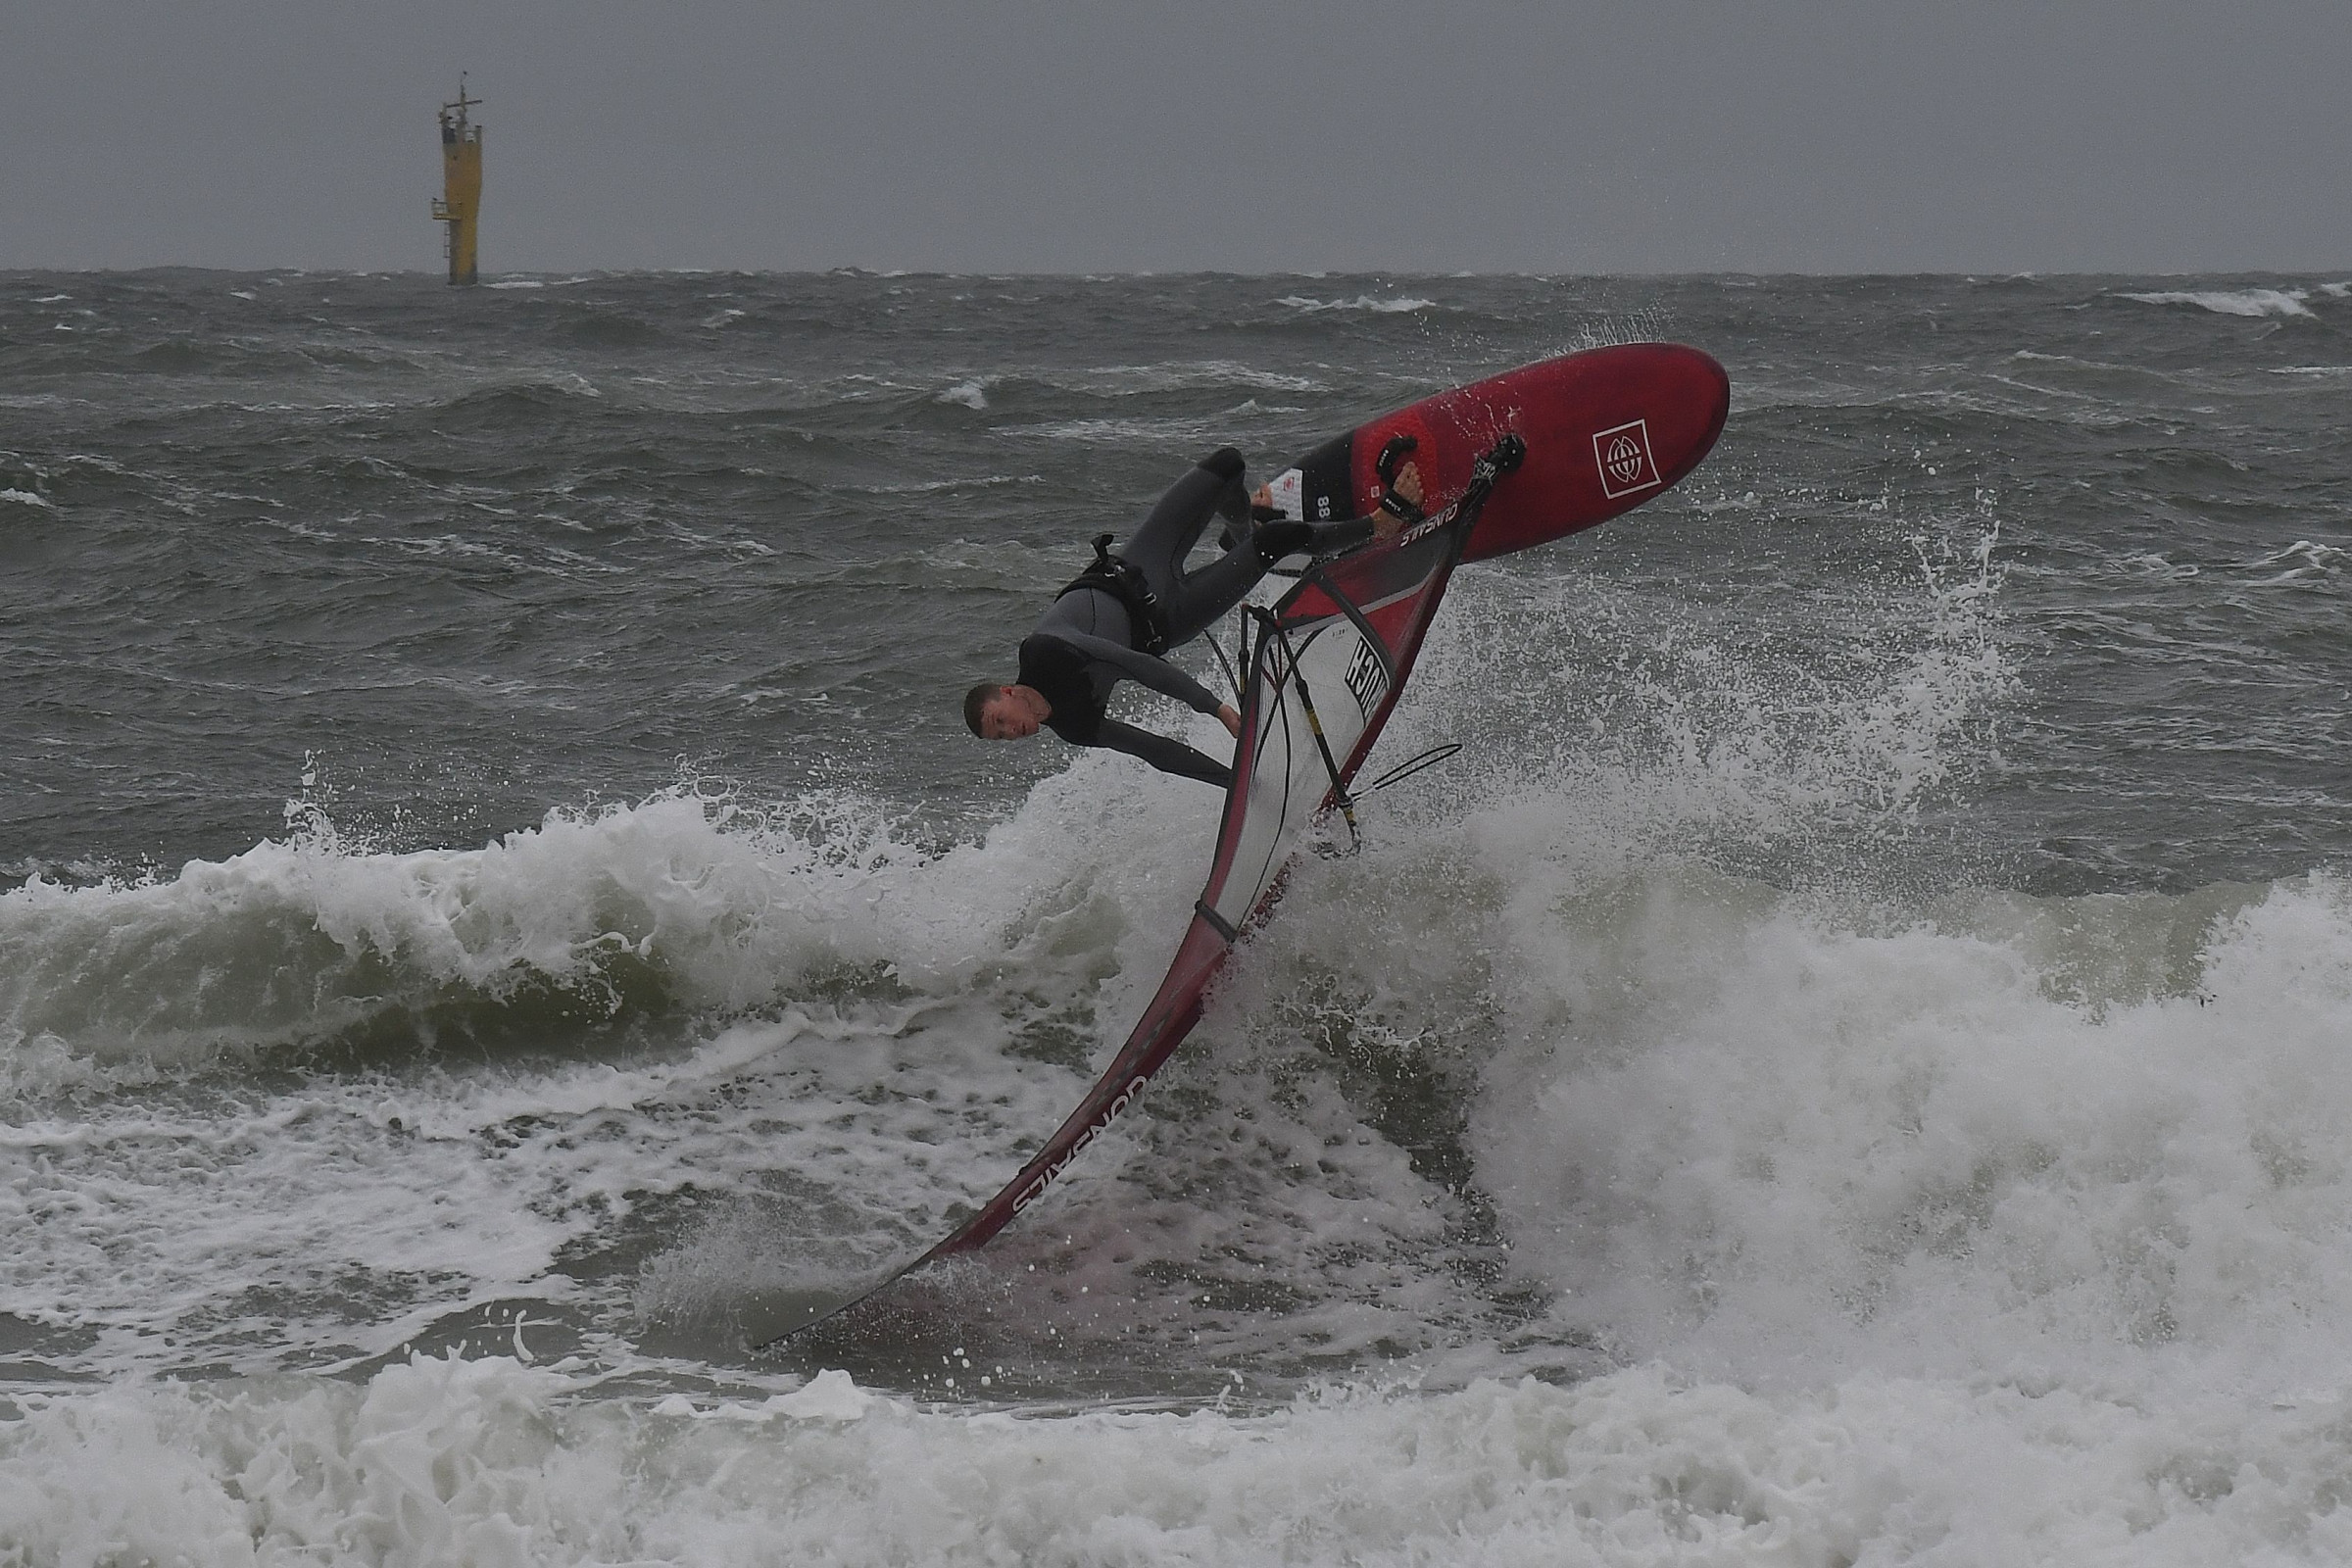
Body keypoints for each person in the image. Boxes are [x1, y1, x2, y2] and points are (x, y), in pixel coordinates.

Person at [964, 445, 1424, 787]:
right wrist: (1237, 784)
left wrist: (1217, 709)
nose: (1012, 734)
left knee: (1229, 468)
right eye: (1001, 739)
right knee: (1278, 541)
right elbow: (1157, 752)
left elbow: (1135, 667)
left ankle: (1242, 530)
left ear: (1006, 692)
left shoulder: (1043, 652)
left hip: (1140, 565)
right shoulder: (1073, 724)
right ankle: (1379, 525)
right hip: (1169, 620)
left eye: (1000, 721)